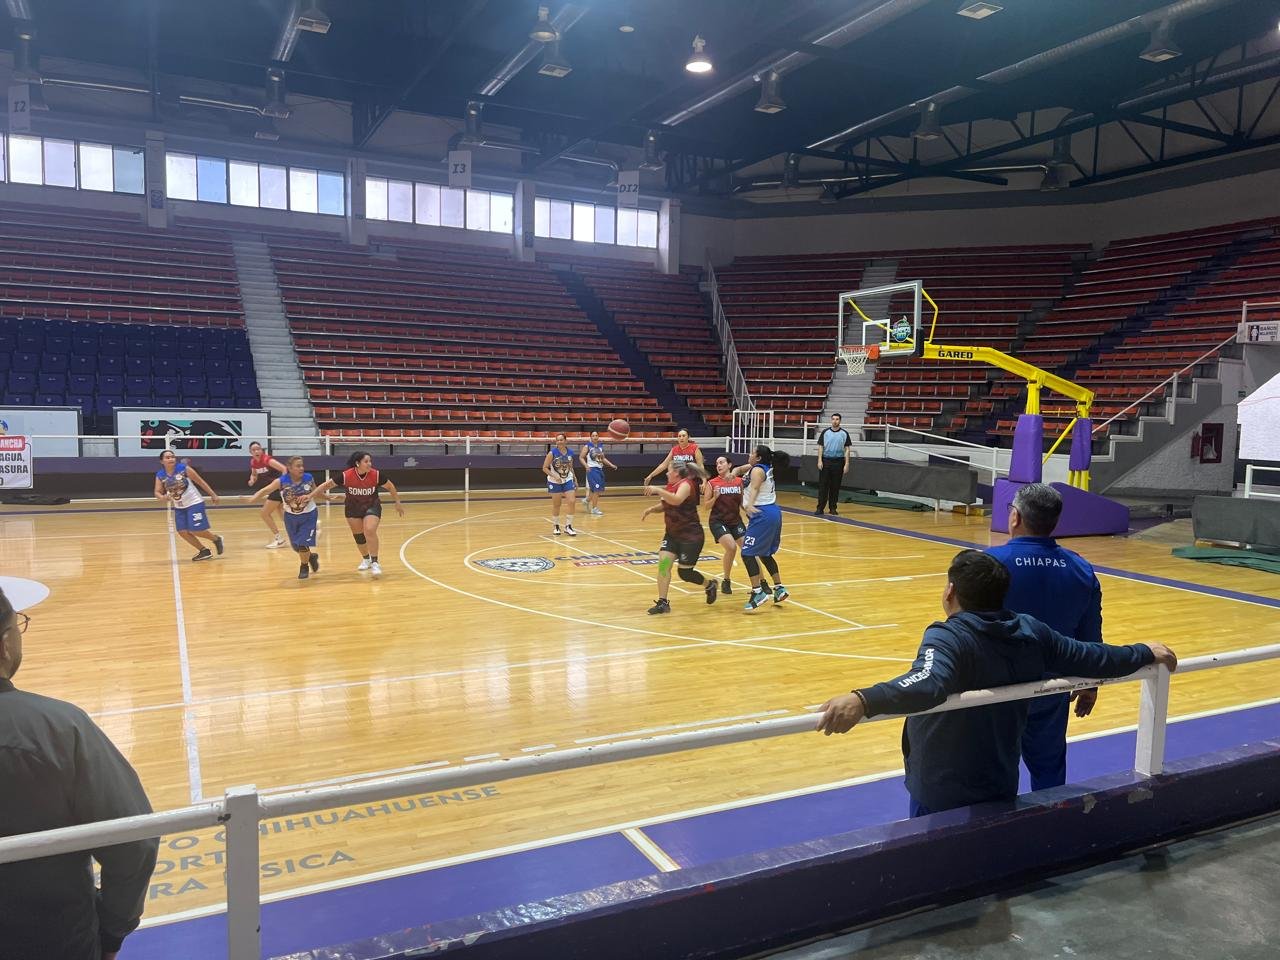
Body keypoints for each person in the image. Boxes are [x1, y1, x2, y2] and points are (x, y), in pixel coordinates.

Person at [815, 550, 1177, 816]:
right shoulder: (1031, 631)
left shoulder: (948, 636)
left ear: (950, 592)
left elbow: (927, 683)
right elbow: (1093, 657)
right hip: (1000, 775)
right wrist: (1143, 651)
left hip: (941, 786)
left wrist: (864, 699)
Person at [0, 587, 159, 960]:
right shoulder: (58, 729)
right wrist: (112, 931)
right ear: (5, 645)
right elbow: (134, 841)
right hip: (52, 940)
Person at [987, 483, 1104, 791]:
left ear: (1014, 518)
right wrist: (1090, 682)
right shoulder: (1081, 568)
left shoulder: (988, 565)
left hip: (997, 693)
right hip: (1051, 689)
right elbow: (1090, 635)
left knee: (992, 774)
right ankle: (1050, 831)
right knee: (1050, 775)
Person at [313, 451, 405, 578]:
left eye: (370, 461)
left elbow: (390, 486)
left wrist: (397, 502)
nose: (369, 464)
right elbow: (325, 485)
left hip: (371, 505)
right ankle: (366, 559)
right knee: (359, 536)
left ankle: (375, 562)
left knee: (369, 530)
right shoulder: (346, 475)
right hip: (352, 507)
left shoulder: (376, 474)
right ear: (357, 463)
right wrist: (310, 496)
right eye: (366, 461)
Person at [642, 461, 717, 614]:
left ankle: (709, 585)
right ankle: (663, 602)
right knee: (663, 565)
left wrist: (657, 490)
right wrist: (651, 509)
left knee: (685, 574)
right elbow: (666, 504)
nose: (666, 473)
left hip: (690, 537)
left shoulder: (686, 485)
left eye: (668, 471)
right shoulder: (670, 486)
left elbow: (676, 500)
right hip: (672, 536)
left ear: (676, 472)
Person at [250, 455, 321, 580]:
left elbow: (316, 491)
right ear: (290, 468)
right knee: (296, 546)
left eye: (302, 465)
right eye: (298, 466)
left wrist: (328, 497)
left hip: (309, 514)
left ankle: (304, 566)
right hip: (291, 516)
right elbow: (265, 490)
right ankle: (311, 557)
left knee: (303, 543)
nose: (301, 468)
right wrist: (252, 499)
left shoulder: (308, 477)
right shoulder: (282, 481)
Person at [737, 445, 789, 611]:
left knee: (747, 553)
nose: (749, 454)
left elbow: (754, 488)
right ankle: (779, 588)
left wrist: (750, 505)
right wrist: (734, 471)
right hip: (772, 511)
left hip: (762, 513)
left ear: (758, 458)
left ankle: (757, 591)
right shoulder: (761, 467)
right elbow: (742, 469)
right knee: (764, 553)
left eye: (752, 452)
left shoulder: (757, 471)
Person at [153, 450, 224, 562]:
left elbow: (200, 482)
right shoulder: (160, 475)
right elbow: (157, 492)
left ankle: (216, 539)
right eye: (167, 457)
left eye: (172, 457)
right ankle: (204, 551)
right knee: (182, 532)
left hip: (194, 503)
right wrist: (162, 497)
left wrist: (213, 495)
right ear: (162, 461)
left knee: (196, 529)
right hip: (179, 506)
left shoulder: (183, 469)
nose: (171, 459)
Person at [702, 454, 748, 596]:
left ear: (729, 465)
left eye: (721, 462)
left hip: (735, 520)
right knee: (731, 547)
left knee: (748, 550)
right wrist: (715, 497)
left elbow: (741, 502)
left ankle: (760, 583)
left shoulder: (738, 481)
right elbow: (706, 506)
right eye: (717, 464)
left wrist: (750, 513)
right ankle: (726, 580)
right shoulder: (712, 483)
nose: (719, 465)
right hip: (718, 521)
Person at [247, 441, 288, 548]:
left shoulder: (267, 460)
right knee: (284, 515)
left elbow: (284, 469)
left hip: (278, 489)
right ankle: (311, 527)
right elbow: (254, 474)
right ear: (250, 452)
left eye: (258, 449)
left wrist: (282, 484)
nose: (256, 451)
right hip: (273, 490)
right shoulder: (253, 462)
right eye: (254, 450)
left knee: (264, 513)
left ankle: (279, 539)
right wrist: (252, 480)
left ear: (261, 450)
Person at [541, 432, 578, 537]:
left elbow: (571, 467)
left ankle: (568, 526)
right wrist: (554, 476)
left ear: (565, 441)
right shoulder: (552, 453)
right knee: (557, 504)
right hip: (554, 481)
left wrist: (575, 479)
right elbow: (544, 468)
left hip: (567, 479)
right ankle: (556, 525)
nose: (559, 442)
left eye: (561, 440)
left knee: (572, 501)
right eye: (557, 440)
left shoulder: (570, 453)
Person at [815, 413, 852, 515]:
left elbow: (847, 449)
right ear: (831, 420)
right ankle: (820, 508)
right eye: (833, 419)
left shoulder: (844, 433)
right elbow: (821, 447)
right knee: (823, 486)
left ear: (840, 421)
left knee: (835, 486)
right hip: (826, 460)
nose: (835, 421)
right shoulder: (825, 432)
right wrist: (819, 460)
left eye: (837, 419)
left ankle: (833, 508)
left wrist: (847, 464)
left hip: (839, 461)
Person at [579, 430, 618, 517]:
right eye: (593, 435)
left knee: (594, 490)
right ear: (590, 437)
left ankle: (586, 500)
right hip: (592, 470)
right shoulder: (587, 446)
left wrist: (611, 465)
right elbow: (581, 457)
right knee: (596, 489)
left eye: (596, 435)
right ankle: (594, 509)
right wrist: (586, 466)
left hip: (599, 469)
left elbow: (603, 458)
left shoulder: (600, 446)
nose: (595, 437)